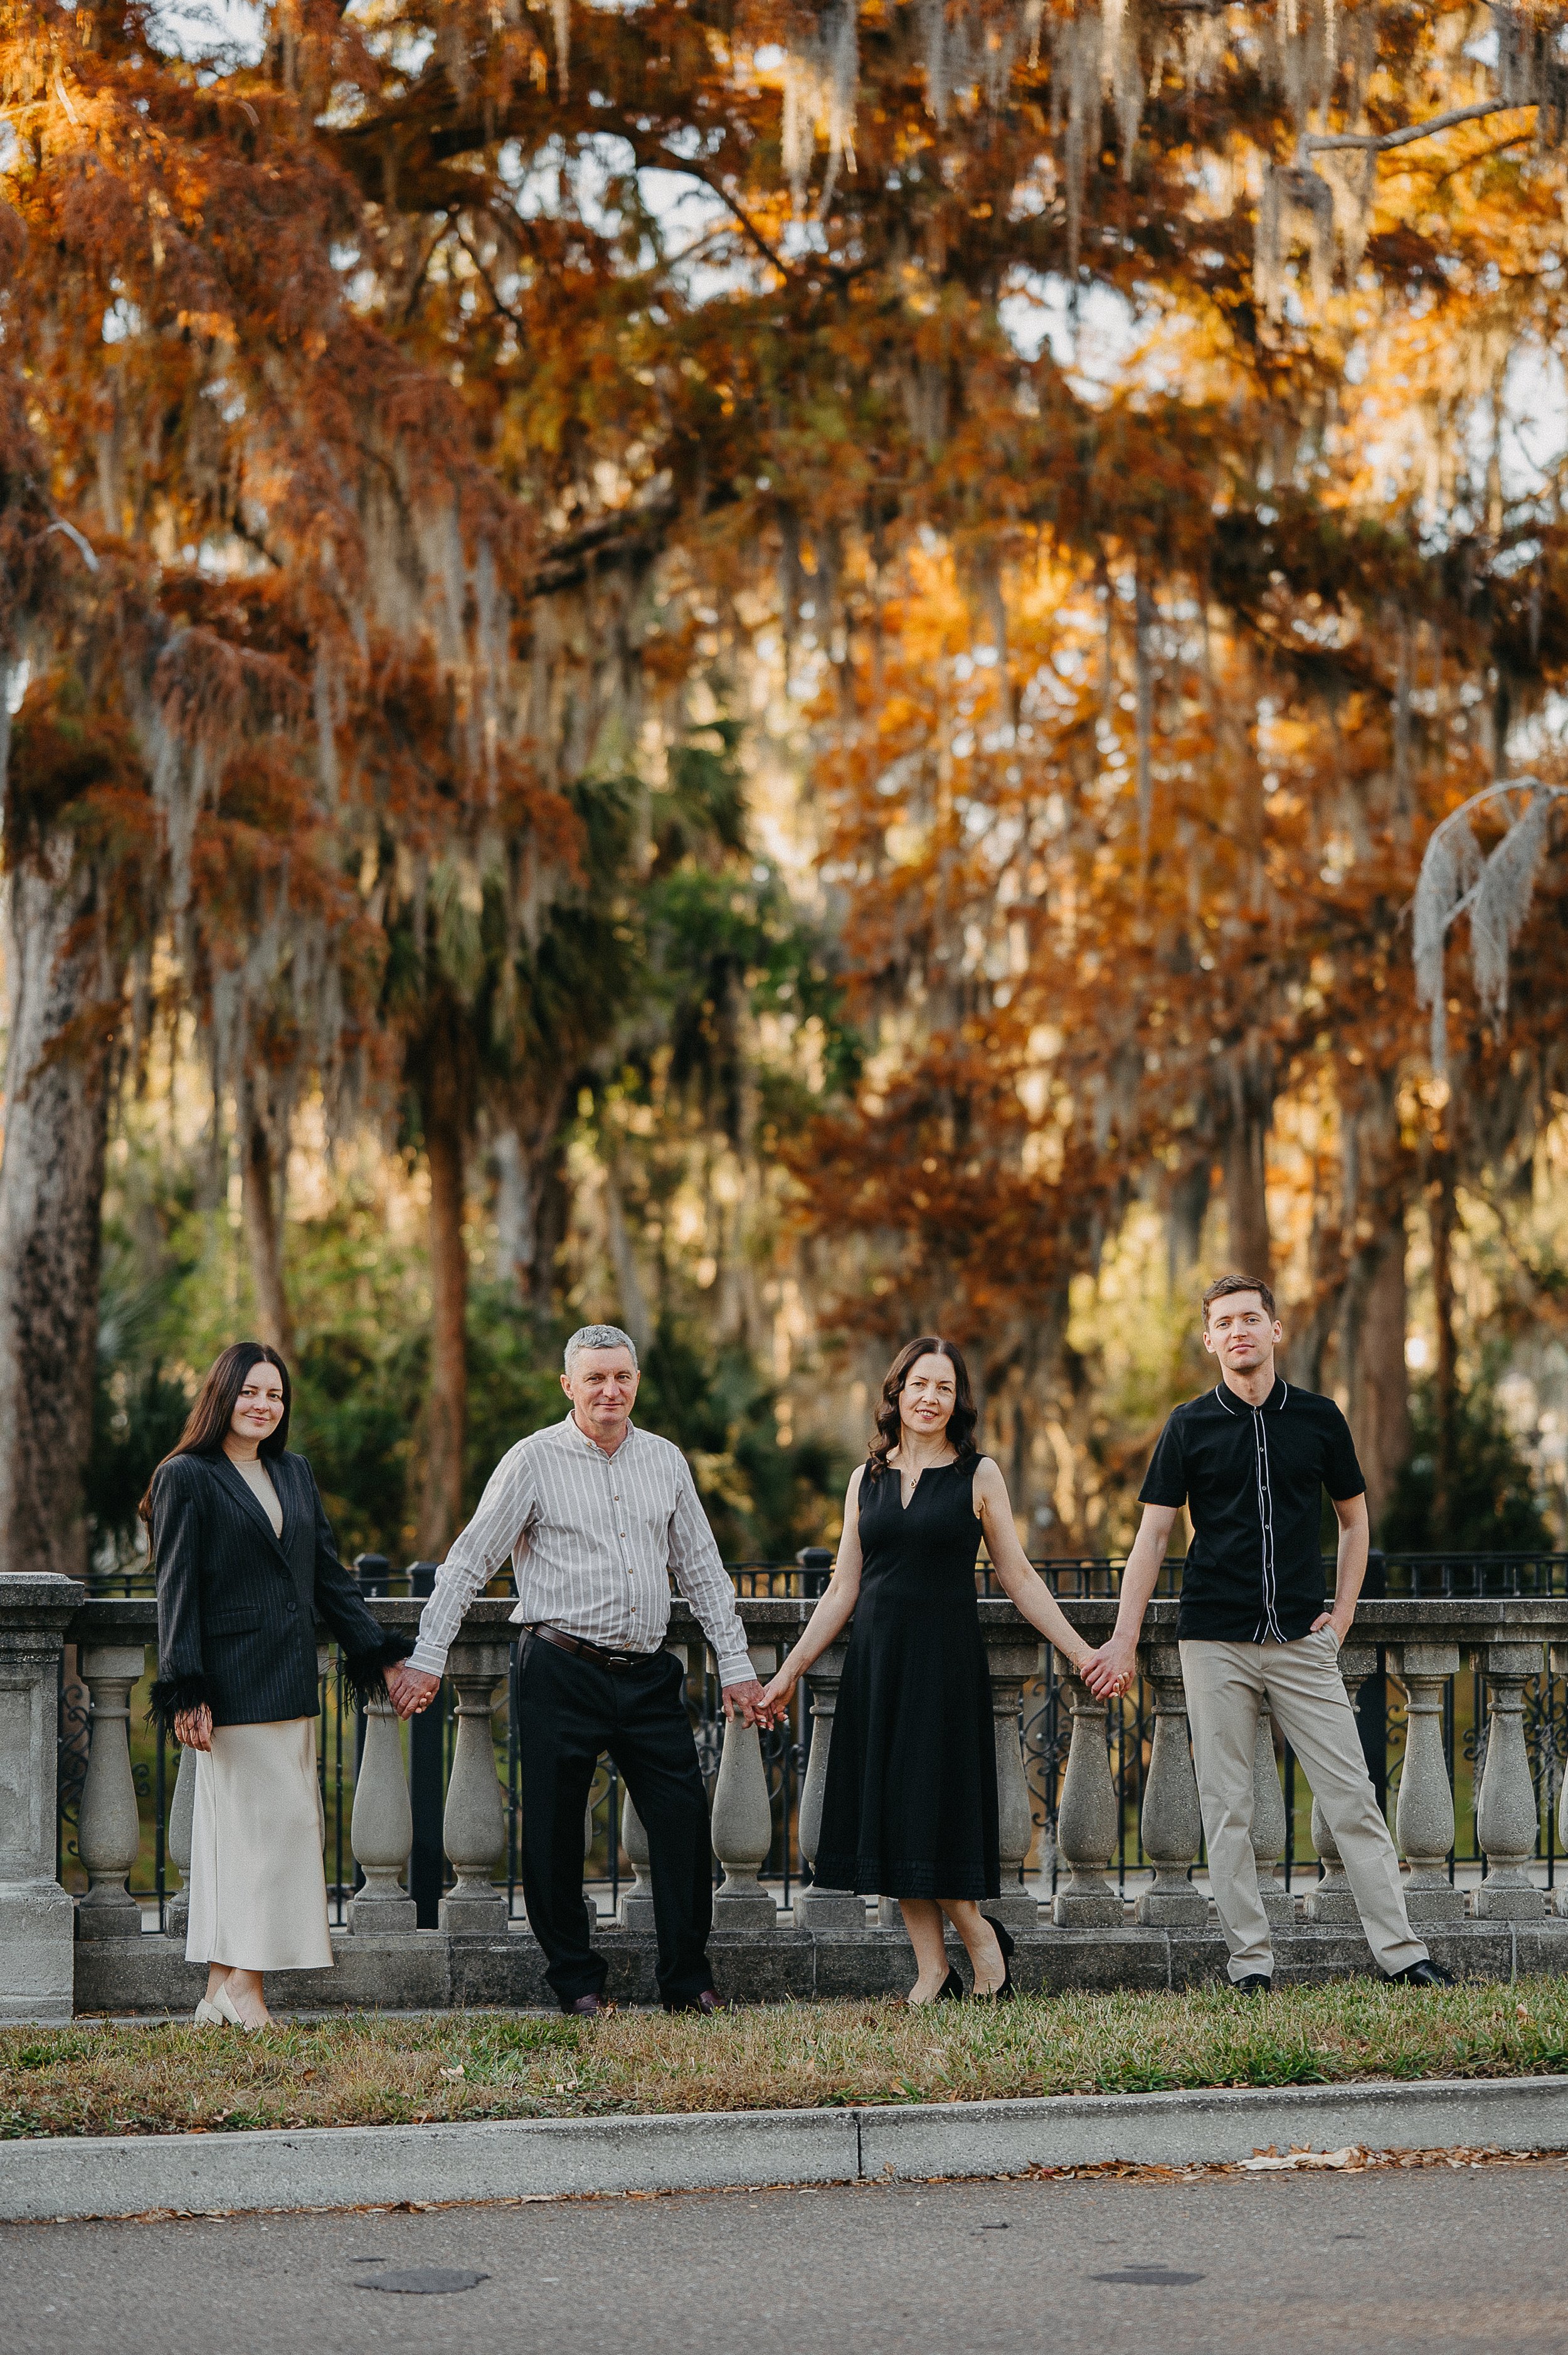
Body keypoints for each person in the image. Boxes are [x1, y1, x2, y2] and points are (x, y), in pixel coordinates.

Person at [1079, 1273, 1450, 1993]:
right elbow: (1151, 1539)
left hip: (1300, 1643)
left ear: (1276, 1330)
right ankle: (1250, 1964)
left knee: (1352, 1798)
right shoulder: (1187, 1425)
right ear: (1210, 1338)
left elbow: (1353, 1520)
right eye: (1224, 1322)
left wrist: (1341, 1616)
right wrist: (1123, 1641)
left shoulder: (1318, 1417)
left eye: (1251, 1318)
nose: (1238, 1331)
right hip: (1212, 1639)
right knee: (1227, 1810)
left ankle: (1402, 1954)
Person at [388, 1325, 768, 2017]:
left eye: (621, 1376)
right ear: (568, 1385)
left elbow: (704, 1573)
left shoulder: (665, 1460)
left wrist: (737, 1666)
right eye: (594, 1378)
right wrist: (427, 1657)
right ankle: (577, 1981)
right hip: (560, 1668)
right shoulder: (532, 1459)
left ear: (636, 1382)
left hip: (650, 1672)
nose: (609, 1390)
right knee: (557, 1833)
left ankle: (687, 1981)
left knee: (682, 1822)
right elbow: (470, 1561)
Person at [758, 1336, 1099, 2004]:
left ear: (956, 1400)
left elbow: (1020, 1578)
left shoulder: (979, 1475)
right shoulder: (867, 1479)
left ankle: (983, 1952)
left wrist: (1081, 1652)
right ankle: (932, 1970)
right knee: (890, 1818)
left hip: (943, 1669)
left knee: (932, 1816)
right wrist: (789, 1671)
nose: (929, 1397)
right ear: (897, 1391)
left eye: (943, 1387)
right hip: (878, 1668)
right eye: (918, 1384)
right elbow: (841, 1589)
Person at [146, 1342, 413, 2029]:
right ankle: (244, 1990)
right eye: (250, 1392)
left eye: (275, 1395)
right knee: (273, 1834)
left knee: (256, 1838)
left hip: (292, 1683)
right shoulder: (186, 1476)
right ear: (222, 1396)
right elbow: (175, 1589)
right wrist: (185, 1688)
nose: (263, 1405)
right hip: (229, 1691)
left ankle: (216, 1992)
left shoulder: (294, 1473)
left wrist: (378, 1654)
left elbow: (328, 1575)